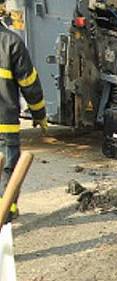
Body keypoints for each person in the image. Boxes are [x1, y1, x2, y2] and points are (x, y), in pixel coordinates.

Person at [0, 22, 47, 219]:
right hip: (4, 124)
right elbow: (29, 84)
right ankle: (7, 214)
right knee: (8, 169)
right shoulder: (11, 42)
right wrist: (39, 114)